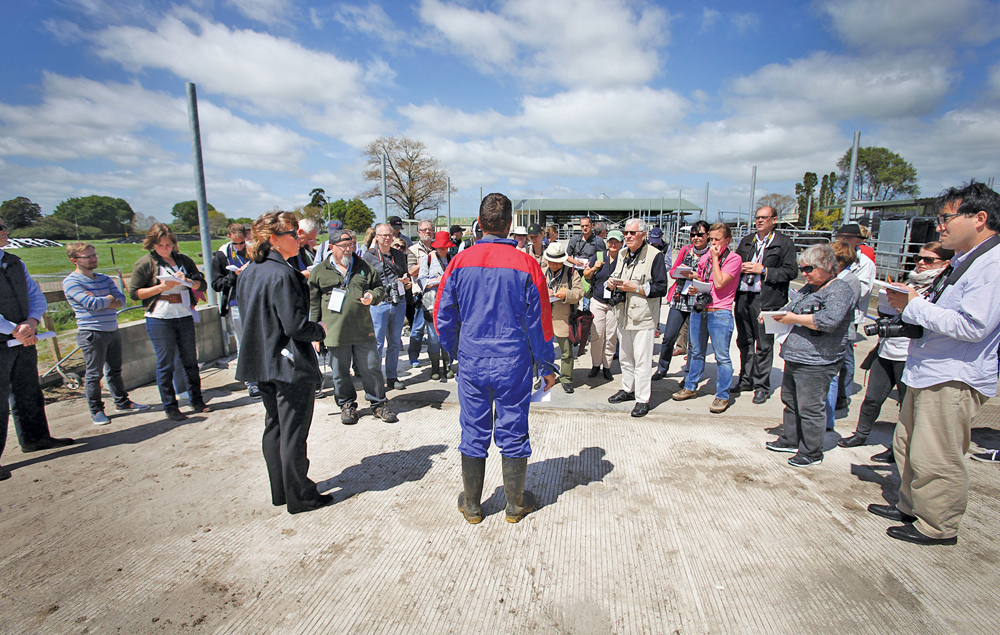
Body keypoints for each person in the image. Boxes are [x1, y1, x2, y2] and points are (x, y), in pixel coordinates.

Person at [869, 182, 1000, 545]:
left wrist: (915, 305)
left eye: (946, 218)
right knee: (910, 445)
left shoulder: (993, 264)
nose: (939, 226)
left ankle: (938, 525)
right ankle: (911, 506)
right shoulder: (963, 261)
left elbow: (973, 326)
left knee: (937, 454)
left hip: (953, 376)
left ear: (979, 218)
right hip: (929, 370)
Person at [435, 193, 557, 524]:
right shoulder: (528, 264)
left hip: (473, 358)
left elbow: (442, 317)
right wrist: (546, 365)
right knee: (513, 428)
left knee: (473, 429)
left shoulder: (459, 262)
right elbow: (541, 323)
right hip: (512, 361)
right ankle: (514, 505)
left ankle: (473, 506)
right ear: (508, 225)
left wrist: (455, 351)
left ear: (480, 222)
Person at [235, 212, 332, 515]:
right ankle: (300, 495)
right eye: (293, 233)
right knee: (292, 433)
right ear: (274, 239)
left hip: (262, 362)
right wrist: (319, 330)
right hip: (287, 365)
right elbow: (295, 326)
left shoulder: (251, 271)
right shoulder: (283, 274)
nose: (299, 238)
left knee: (275, 427)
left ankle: (282, 490)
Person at [838, 242, 953, 456]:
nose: (921, 263)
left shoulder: (942, 288)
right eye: (918, 258)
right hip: (888, 348)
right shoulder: (911, 281)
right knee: (872, 397)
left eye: (929, 260)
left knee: (906, 404)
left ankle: (898, 448)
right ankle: (861, 434)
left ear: (945, 263)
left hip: (911, 353)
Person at [764, 244, 855, 468]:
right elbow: (790, 307)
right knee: (792, 402)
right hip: (796, 356)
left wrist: (793, 319)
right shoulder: (810, 288)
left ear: (826, 267)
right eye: (802, 268)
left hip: (817, 360)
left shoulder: (839, 289)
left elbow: (829, 321)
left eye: (809, 269)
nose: (804, 273)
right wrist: (774, 316)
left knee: (811, 407)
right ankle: (791, 438)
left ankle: (811, 451)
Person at [1, 221, 74, 480]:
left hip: (23, 339)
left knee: (28, 391)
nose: (6, 232)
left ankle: (35, 439)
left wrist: (31, 322)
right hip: (8, 339)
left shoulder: (14, 262)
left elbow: (36, 296)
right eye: (1, 228)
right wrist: (12, 329)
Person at [309, 229, 398, 425]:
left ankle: (378, 404)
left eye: (352, 245)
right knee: (340, 373)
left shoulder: (363, 266)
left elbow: (379, 288)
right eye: (344, 246)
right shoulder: (319, 272)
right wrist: (315, 334)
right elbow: (314, 304)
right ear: (332, 248)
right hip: (334, 332)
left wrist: (372, 297)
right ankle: (347, 405)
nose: (349, 250)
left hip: (362, 329)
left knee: (371, 368)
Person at [128, 223, 211, 421]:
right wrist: (161, 287)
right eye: (160, 245)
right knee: (165, 363)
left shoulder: (183, 260)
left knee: (190, 360)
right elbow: (135, 293)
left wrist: (189, 282)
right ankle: (170, 406)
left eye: (168, 244)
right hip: (160, 316)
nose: (165, 248)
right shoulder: (145, 263)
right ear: (152, 245)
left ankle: (197, 400)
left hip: (183, 313)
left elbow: (203, 284)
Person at [63, 243, 150, 425]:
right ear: (74, 260)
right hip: (92, 332)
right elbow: (91, 304)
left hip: (112, 329)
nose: (93, 258)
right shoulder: (72, 282)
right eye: (87, 257)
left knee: (115, 370)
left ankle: (122, 402)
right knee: (94, 374)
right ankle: (96, 411)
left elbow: (122, 300)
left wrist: (102, 300)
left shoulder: (104, 278)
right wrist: (108, 299)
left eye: (94, 255)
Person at [672, 223, 742, 413]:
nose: (713, 244)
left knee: (722, 357)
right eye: (711, 239)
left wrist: (715, 258)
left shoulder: (734, 259)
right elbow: (704, 280)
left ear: (727, 240)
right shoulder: (705, 259)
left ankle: (722, 396)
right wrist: (694, 282)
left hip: (720, 312)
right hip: (700, 308)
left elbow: (719, 283)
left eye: (717, 240)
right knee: (696, 351)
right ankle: (691, 386)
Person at [732, 206, 798, 404]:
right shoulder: (747, 240)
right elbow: (734, 262)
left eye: (764, 218)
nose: (759, 221)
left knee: (763, 345)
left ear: (774, 220)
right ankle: (745, 379)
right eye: (757, 218)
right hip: (744, 296)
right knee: (744, 341)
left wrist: (764, 270)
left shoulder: (783, 243)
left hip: (767, 300)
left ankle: (761, 385)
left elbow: (791, 271)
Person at [607, 218, 669, 417]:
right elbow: (617, 275)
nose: (628, 236)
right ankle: (628, 389)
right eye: (626, 233)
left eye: (632, 233)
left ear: (643, 234)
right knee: (625, 357)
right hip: (623, 315)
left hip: (643, 317)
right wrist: (611, 283)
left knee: (642, 361)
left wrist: (637, 288)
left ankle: (642, 399)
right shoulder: (623, 253)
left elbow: (662, 288)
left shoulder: (655, 256)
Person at [653, 221, 711, 382]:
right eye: (693, 235)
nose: (696, 238)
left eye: (700, 235)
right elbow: (672, 271)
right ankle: (662, 368)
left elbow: (713, 278)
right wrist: (681, 272)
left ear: (708, 236)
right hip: (680, 298)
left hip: (698, 300)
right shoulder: (686, 250)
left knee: (694, 341)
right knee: (669, 337)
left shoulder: (711, 254)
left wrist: (696, 276)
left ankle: (690, 374)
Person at [211, 223, 258, 398]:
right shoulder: (222, 255)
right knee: (244, 342)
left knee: (260, 339)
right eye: (236, 243)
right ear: (229, 237)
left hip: (255, 301)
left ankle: (263, 377)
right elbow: (216, 284)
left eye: (242, 243)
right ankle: (251, 381)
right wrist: (234, 275)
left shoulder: (252, 251)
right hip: (236, 304)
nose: (239, 247)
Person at [833, 223, 875, 409]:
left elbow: (862, 290)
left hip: (851, 314)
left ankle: (844, 394)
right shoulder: (833, 257)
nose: (842, 241)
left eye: (846, 238)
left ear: (858, 240)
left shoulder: (865, 263)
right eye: (840, 237)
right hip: (835, 313)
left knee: (846, 355)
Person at [364, 223, 410, 391]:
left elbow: (405, 274)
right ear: (376, 236)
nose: (387, 238)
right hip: (379, 303)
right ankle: (375, 378)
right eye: (383, 235)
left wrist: (406, 281)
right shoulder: (368, 256)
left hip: (398, 302)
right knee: (377, 343)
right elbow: (364, 281)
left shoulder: (398, 254)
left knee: (394, 343)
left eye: (390, 235)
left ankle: (392, 376)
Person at [823, 241, 862, 430]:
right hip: (830, 332)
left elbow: (841, 309)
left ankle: (830, 415)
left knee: (835, 373)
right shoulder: (836, 277)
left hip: (840, 333)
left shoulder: (849, 280)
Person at [542, 242, 584, 393]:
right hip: (544, 319)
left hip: (564, 318)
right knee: (544, 352)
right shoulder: (542, 272)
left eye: (557, 262)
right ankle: (545, 377)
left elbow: (580, 292)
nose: (554, 264)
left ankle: (566, 379)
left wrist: (566, 294)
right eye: (551, 261)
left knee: (566, 352)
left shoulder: (572, 273)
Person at [584, 230, 623, 381]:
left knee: (611, 337)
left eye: (617, 242)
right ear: (607, 243)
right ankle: (595, 365)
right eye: (611, 242)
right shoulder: (599, 256)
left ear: (621, 243)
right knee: (597, 335)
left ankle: (607, 367)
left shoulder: (624, 259)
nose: (613, 245)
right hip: (598, 301)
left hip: (614, 304)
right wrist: (595, 267)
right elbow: (586, 274)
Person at [418, 231, 455, 380]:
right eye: (440, 247)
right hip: (431, 303)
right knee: (433, 337)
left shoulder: (452, 259)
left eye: (445, 247)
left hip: (448, 304)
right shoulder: (427, 259)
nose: (443, 250)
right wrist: (437, 281)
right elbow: (421, 281)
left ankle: (447, 365)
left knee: (447, 335)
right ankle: (434, 366)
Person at [406, 220, 435, 369]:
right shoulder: (413, 250)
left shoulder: (438, 247)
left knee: (435, 328)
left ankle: (435, 356)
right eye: (424, 230)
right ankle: (413, 356)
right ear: (419, 233)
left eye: (430, 229)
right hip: (420, 294)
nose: (427, 232)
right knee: (417, 328)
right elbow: (411, 271)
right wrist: (427, 259)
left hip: (436, 293)